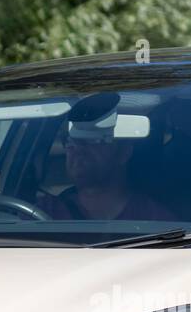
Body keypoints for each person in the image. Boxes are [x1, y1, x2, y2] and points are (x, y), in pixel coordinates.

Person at [37, 93, 177, 223]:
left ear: (124, 153)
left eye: (94, 140)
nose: (78, 149)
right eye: (71, 142)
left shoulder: (155, 220)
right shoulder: (44, 214)